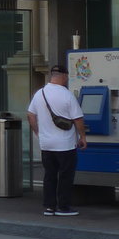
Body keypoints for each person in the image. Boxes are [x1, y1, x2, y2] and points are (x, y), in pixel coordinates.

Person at [27, 64, 87, 216]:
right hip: (65, 145)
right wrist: (83, 137)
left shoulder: (39, 93)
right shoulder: (67, 95)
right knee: (65, 176)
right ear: (64, 76)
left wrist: (38, 132)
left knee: (49, 175)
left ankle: (49, 207)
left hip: (46, 144)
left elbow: (30, 115)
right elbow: (78, 119)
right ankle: (64, 207)